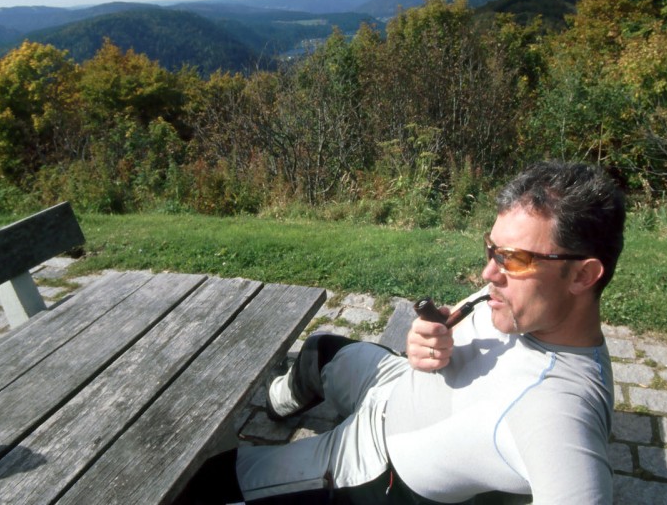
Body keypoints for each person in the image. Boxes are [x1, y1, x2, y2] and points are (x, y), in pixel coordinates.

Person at [182, 160, 625, 504]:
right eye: (490, 249)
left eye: (511, 258)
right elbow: (463, 333)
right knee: (318, 350)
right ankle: (276, 408)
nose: (488, 271)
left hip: (373, 462)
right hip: (393, 385)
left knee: (210, 480)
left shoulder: (559, 411)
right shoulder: (533, 304)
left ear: (583, 276)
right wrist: (426, 340)